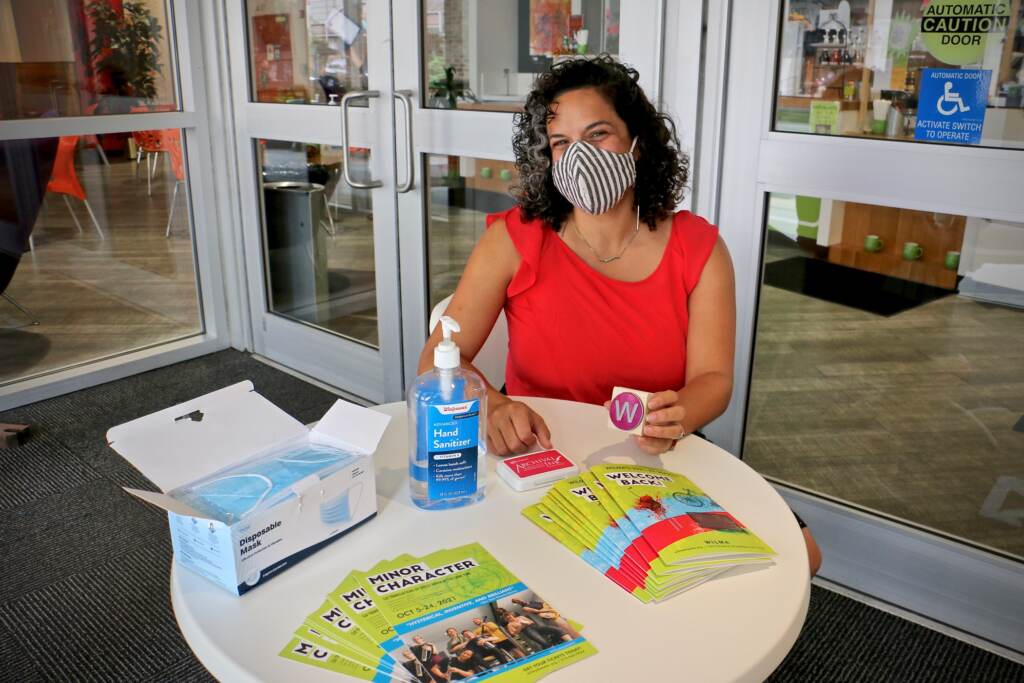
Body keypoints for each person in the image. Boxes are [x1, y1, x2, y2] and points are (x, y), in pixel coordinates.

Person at [416, 55, 821, 577]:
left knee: (802, 554)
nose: (580, 156)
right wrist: (492, 405)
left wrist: (681, 415)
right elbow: (437, 358)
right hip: (544, 453)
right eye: (562, 142)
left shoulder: (698, 248)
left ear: (639, 142)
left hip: (657, 455)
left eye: (599, 133)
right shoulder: (514, 240)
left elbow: (713, 380)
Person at [509, 598, 579, 639]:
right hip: (548, 616)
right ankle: (576, 639)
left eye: (518, 599)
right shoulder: (524, 608)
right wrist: (548, 610)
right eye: (516, 601)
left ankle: (577, 637)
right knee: (565, 626)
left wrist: (550, 608)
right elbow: (537, 611)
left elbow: (543, 604)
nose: (519, 600)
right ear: (517, 603)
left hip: (552, 612)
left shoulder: (531, 602)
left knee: (568, 624)